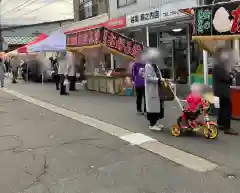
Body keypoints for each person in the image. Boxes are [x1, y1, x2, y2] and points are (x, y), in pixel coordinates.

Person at [212, 47, 238, 135]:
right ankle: (227, 127)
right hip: (222, 92)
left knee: (222, 108)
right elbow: (226, 78)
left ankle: (221, 124)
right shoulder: (219, 66)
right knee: (227, 108)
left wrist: (230, 74)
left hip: (218, 91)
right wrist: (231, 75)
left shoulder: (218, 65)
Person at [145, 63, 164, 131]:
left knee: (158, 107)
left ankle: (156, 122)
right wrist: (159, 80)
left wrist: (162, 79)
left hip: (158, 89)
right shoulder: (148, 65)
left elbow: (159, 75)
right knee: (152, 107)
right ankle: (152, 124)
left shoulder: (156, 65)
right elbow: (148, 78)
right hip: (151, 90)